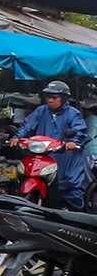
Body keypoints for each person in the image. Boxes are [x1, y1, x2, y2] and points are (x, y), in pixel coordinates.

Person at [18, 79, 87, 210]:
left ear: (64, 98)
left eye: (55, 97)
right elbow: (27, 126)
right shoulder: (40, 111)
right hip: (43, 158)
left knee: (71, 191)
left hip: (65, 159)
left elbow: (80, 131)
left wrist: (73, 142)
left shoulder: (73, 114)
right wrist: (17, 136)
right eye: (49, 97)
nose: (50, 100)